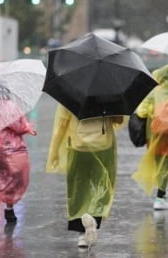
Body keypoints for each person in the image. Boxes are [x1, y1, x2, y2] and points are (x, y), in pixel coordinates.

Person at [46, 104, 124, 248]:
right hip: (103, 145)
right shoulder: (109, 92)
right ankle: (94, 216)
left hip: (78, 145)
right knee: (103, 183)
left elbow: (62, 123)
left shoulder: (70, 91)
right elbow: (118, 120)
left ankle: (82, 234)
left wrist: (54, 150)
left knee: (78, 187)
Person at [132, 64, 168, 210]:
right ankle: (161, 195)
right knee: (166, 165)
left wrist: (154, 112)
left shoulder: (154, 93)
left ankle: (159, 196)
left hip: (156, 133)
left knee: (158, 163)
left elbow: (141, 112)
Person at [0, 83, 37, 223]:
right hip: (12, 149)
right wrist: (28, 127)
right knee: (15, 178)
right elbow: (18, 127)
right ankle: (9, 210)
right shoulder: (9, 106)